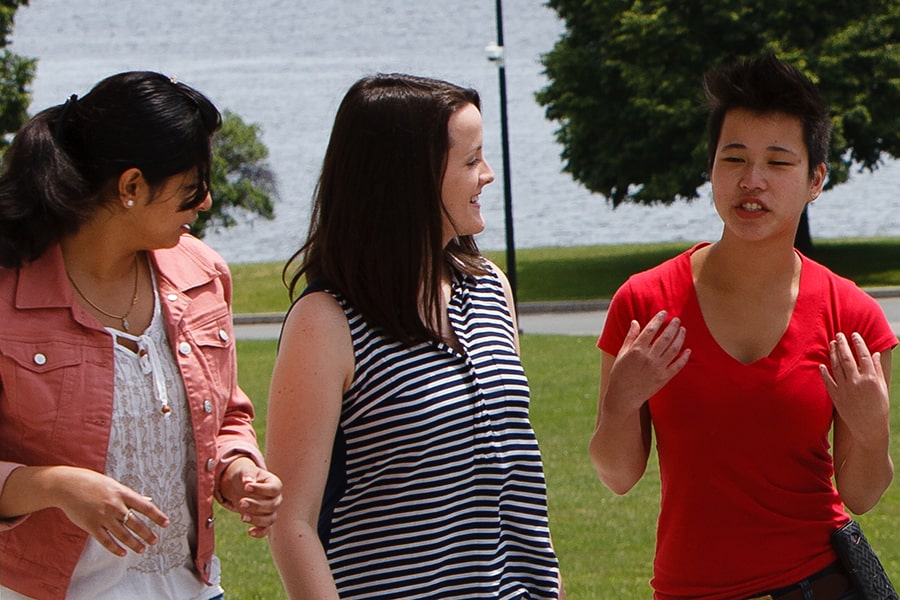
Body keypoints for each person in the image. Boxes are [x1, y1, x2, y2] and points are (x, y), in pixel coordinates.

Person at [590, 54, 895, 599]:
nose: (752, 181)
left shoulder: (852, 316)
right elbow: (617, 476)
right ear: (711, 169)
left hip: (817, 584)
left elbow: (862, 493)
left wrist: (873, 432)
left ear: (815, 180)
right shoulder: (644, 303)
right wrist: (619, 402)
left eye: (778, 163)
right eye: (734, 158)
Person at [266, 73, 563, 599]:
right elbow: (293, 523)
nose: (488, 175)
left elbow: (515, 485)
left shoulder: (491, 287)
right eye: (471, 160)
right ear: (410, 178)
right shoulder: (326, 322)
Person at [0, 71, 282, 600]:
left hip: (195, 588)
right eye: (191, 187)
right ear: (131, 187)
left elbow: (225, 418)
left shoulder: (203, 273)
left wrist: (238, 472)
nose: (206, 202)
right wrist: (56, 487)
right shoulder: (7, 297)